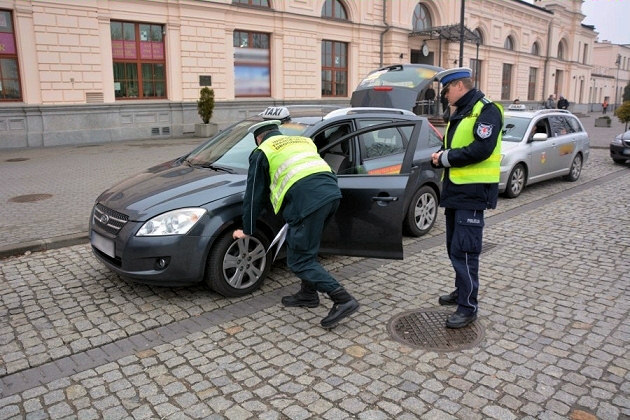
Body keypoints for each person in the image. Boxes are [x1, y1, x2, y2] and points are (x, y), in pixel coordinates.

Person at [232, 120, 359, 329]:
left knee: (299, 260)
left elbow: (254, 195)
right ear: (277, 131)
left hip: (307, 203)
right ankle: (308, 295)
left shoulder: (262, 151)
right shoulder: (302, 141)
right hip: (331, 195)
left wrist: (247, 229)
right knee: (308, 249)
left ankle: (342, 299)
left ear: (258, 138)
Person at [430, 67, 503, 329]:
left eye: (447, 89)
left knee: (465, 252)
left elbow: (481, 149)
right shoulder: (461, 112)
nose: (444, 94)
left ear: (459, 86)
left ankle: (468, 307)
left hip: (473, 195)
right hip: (456, 193)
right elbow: (451, 146)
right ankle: (461, 292)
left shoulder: (486, 110)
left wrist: (446, 157)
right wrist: (439, 157)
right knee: (454, 248)